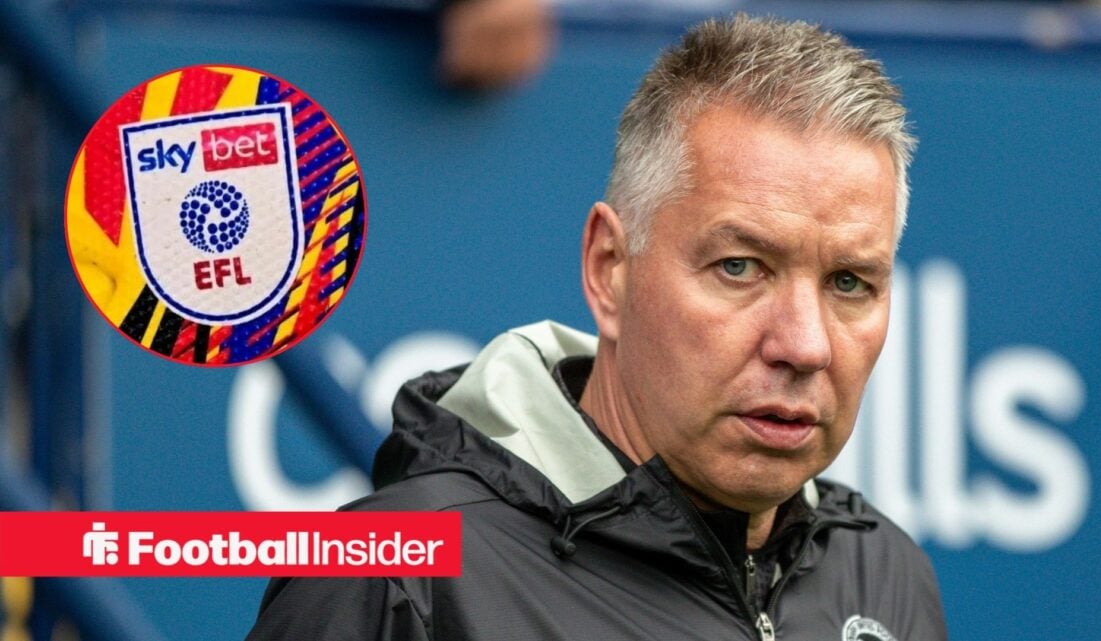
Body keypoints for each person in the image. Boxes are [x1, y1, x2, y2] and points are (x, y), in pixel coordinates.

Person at [247, 14, 947, 641]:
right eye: (741, 267)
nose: (804, 343)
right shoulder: (400, 581)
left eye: (850, 283)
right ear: (610, 267)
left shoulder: (883, 574)